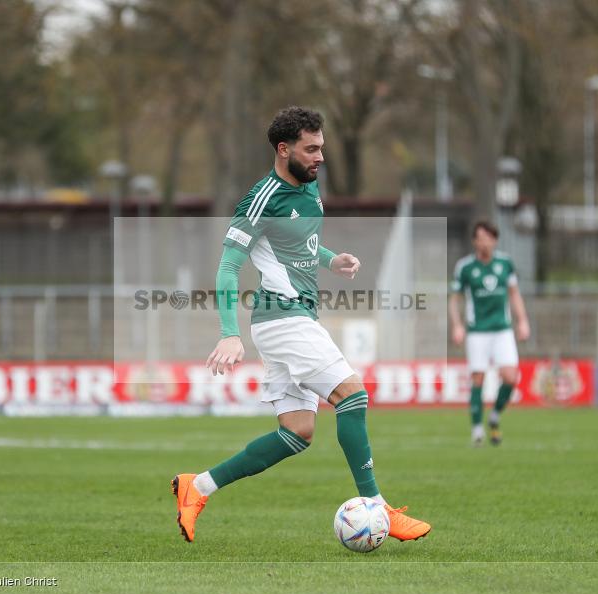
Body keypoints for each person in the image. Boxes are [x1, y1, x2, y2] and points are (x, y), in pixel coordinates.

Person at [171, 106, 431, 543]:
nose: (320, 157)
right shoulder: (261, 197)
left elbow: (299, 244)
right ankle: (376, 505)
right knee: (352, 395)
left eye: (322, 148)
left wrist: (332, 259)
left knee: (297, 432)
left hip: (295, 318)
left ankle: (196, 487)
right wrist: (228, 332)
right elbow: (228, 268)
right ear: (283, 148)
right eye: (311, 149)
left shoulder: (310, 191)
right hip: (283, 319)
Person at [448, 221, 531, 446]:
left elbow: (514, 294)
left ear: (494, 240)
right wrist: (457, 325)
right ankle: (477, 429)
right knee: (478, 378)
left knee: (511, 377)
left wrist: (522, 321)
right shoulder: (465, 267)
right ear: (474, 241)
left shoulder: (505, 263)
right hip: (477, 332)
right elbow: (454, 299)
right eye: (479, 238)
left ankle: (494, 416)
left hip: (502, 330)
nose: (483, 242)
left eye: (487, 237)